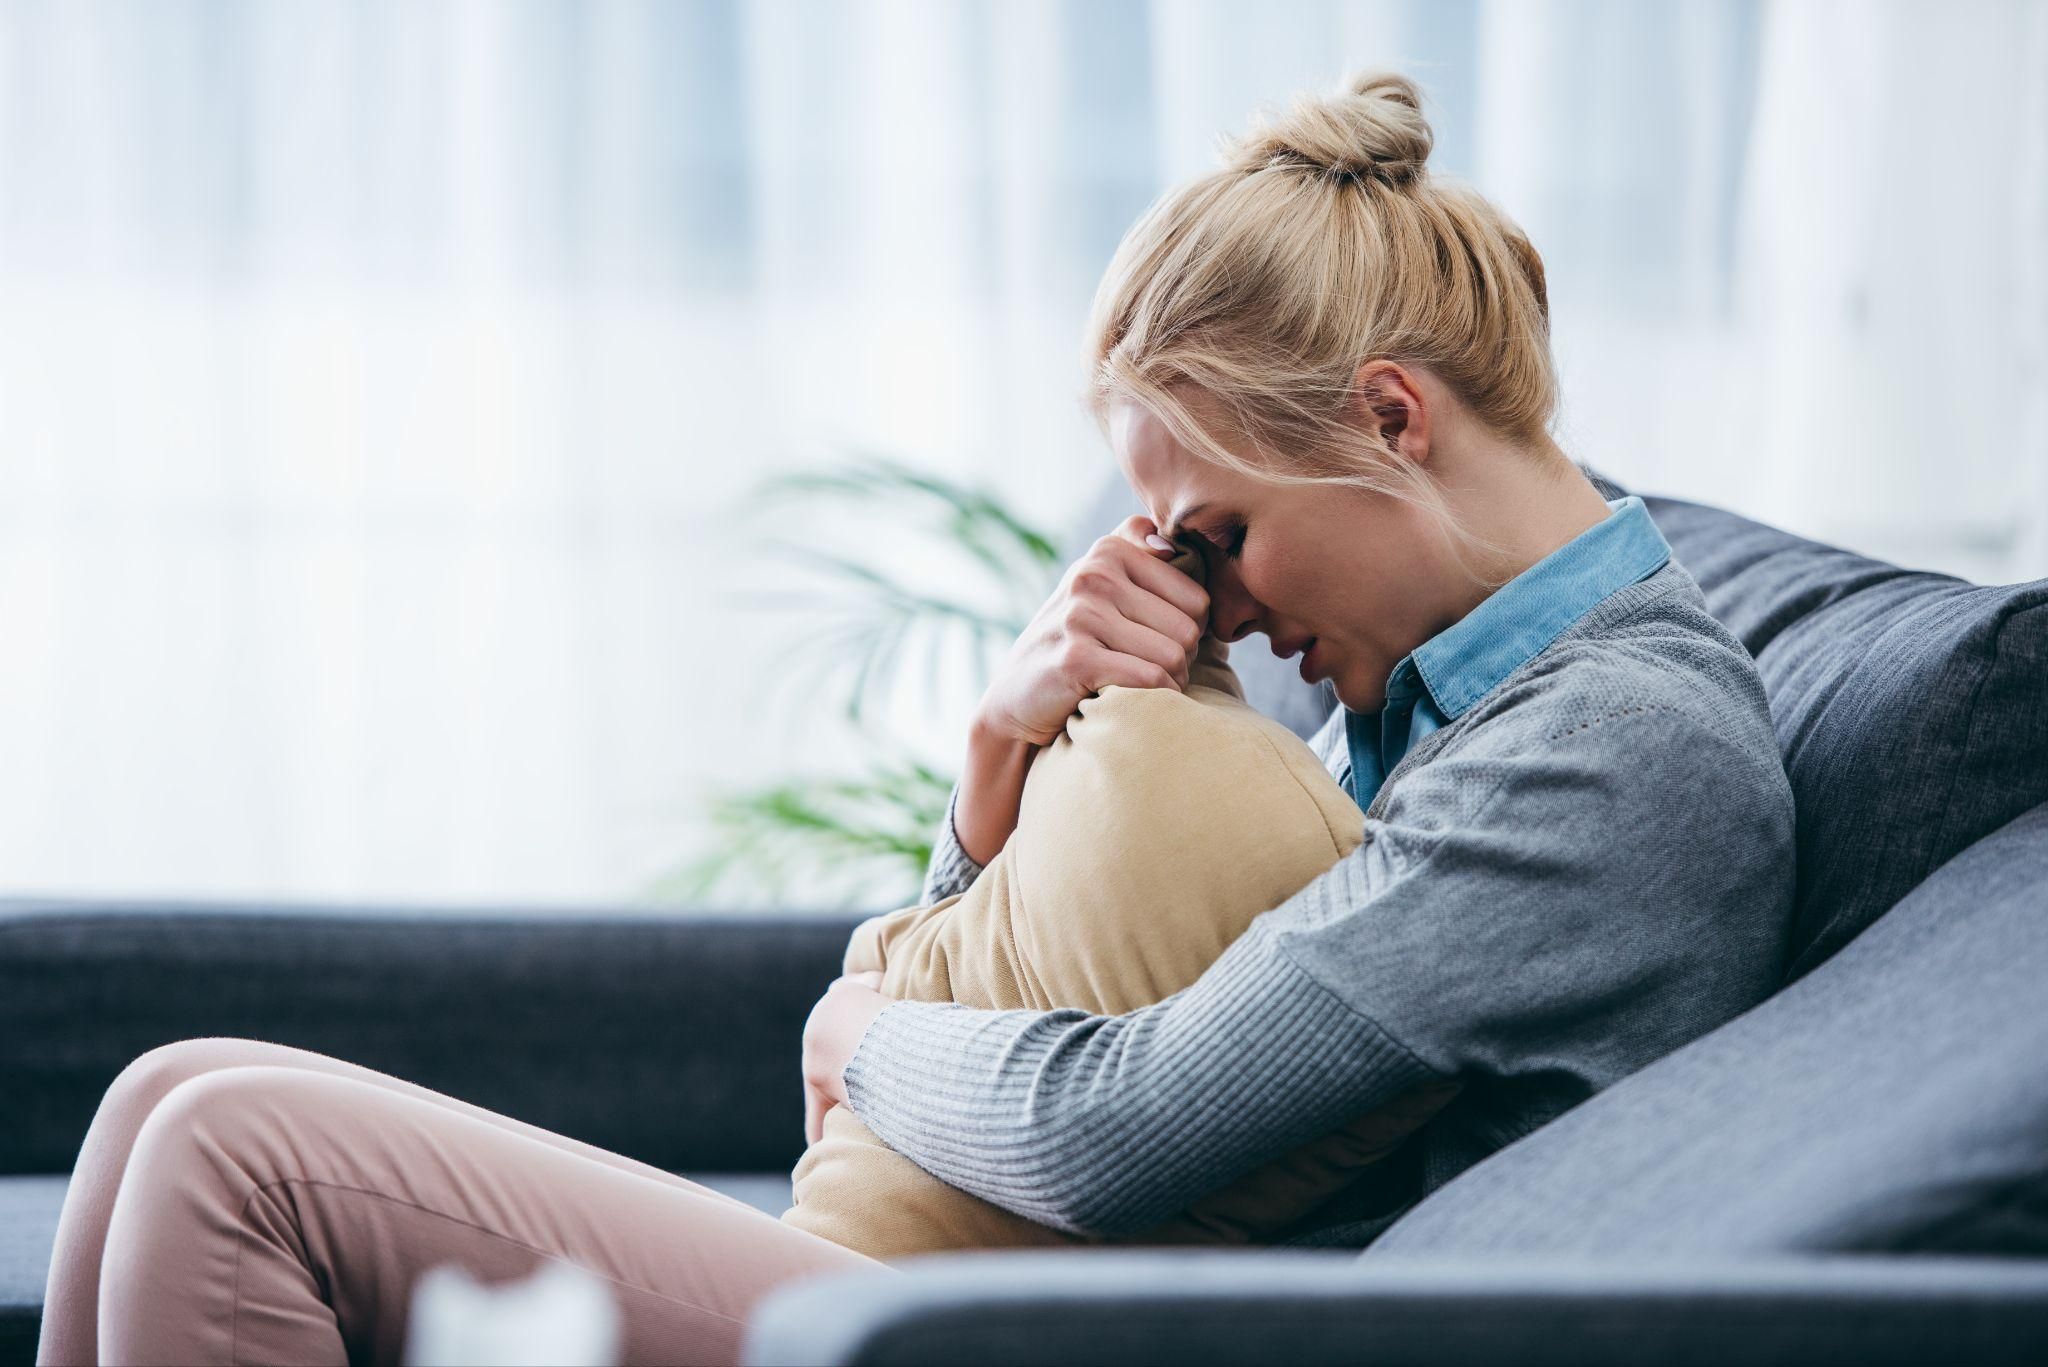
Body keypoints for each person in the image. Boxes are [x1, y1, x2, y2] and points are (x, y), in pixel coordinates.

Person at [38, 68, 1795, 1366]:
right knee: (168, 1094)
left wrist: (860, 1033)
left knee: (233, 1153)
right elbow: (1066, 994)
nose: (1228, 603)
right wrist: (992, 784)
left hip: (1141, 1328)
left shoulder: (1611, 753)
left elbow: (1121, 1129)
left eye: (1225, 533)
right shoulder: (1439, 692)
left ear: (1391, 419)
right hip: (1045, 1278)